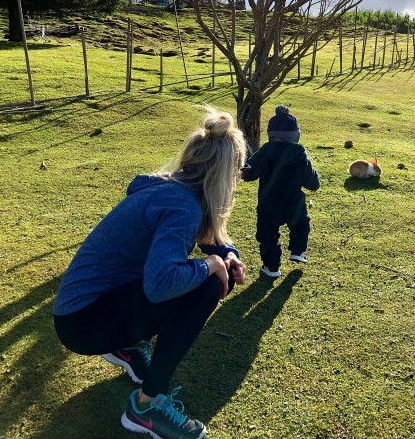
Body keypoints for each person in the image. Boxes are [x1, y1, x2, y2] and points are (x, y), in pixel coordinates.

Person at [53, 108, 247, 439]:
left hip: (77, 312)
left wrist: (226, 253)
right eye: (237, 173)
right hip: (83, 322)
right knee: (205, 286)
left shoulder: (168, 189)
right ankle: (146, 407)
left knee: (205, 273)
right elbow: (160, 285)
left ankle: (125, 345)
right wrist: (211, 266)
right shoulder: (182, 206)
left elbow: (202, 237)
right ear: (222, 175)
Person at [241, 105, 320, 278]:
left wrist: (243, 168)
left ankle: (272, 267)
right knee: (301, 224)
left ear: (271, 134)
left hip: (269, 203)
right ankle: (298, 251)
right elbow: (310, 179)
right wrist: (315, 184)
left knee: (268, 234)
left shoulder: (264, 152)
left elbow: (250, 174)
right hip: (294, 202)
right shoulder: (300, 154)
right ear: (295, 134)